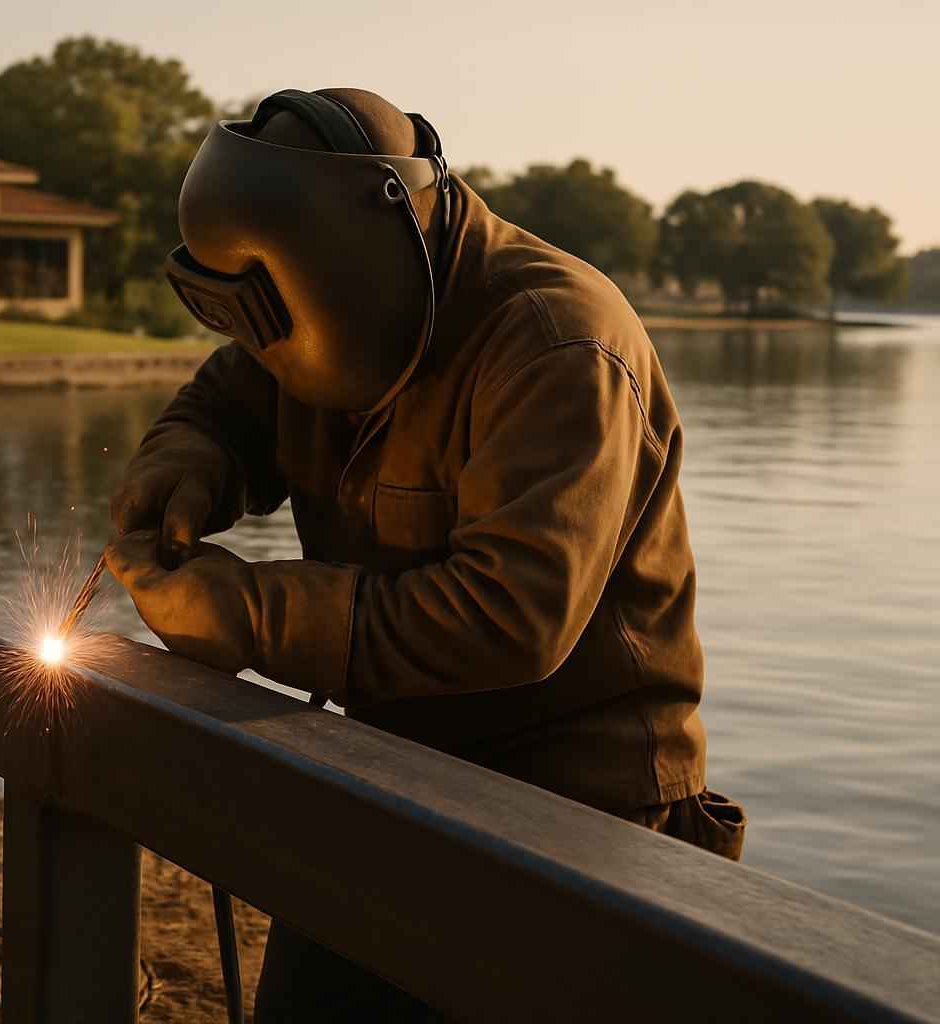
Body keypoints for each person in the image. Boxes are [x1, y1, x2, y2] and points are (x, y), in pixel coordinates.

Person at [104, 87, 746, 1021]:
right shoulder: (307, 298)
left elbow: (510, 619)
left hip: (576, 817)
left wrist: (244, 616)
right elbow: (230, 400)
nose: (268, 337)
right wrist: (186, 463)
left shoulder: (558, 341)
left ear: (364, 257)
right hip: (391, 773)